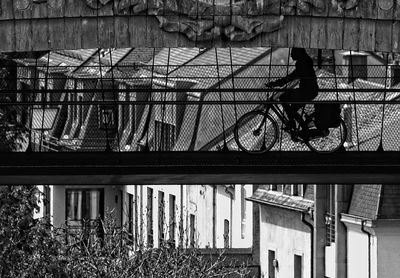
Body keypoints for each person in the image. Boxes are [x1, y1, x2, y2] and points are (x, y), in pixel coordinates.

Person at [265, 48, 320, 139]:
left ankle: (293, 124)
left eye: (292, 53)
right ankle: (300, 128)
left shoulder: (302, 63)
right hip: (309, 90)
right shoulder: (305, 61)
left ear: (297, 53)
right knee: (292, 108)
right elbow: (293, 76)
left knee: (284, 98)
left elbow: (292, 76)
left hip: (307, 91)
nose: (291, 55)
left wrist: (276, 83)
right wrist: (279, 83)